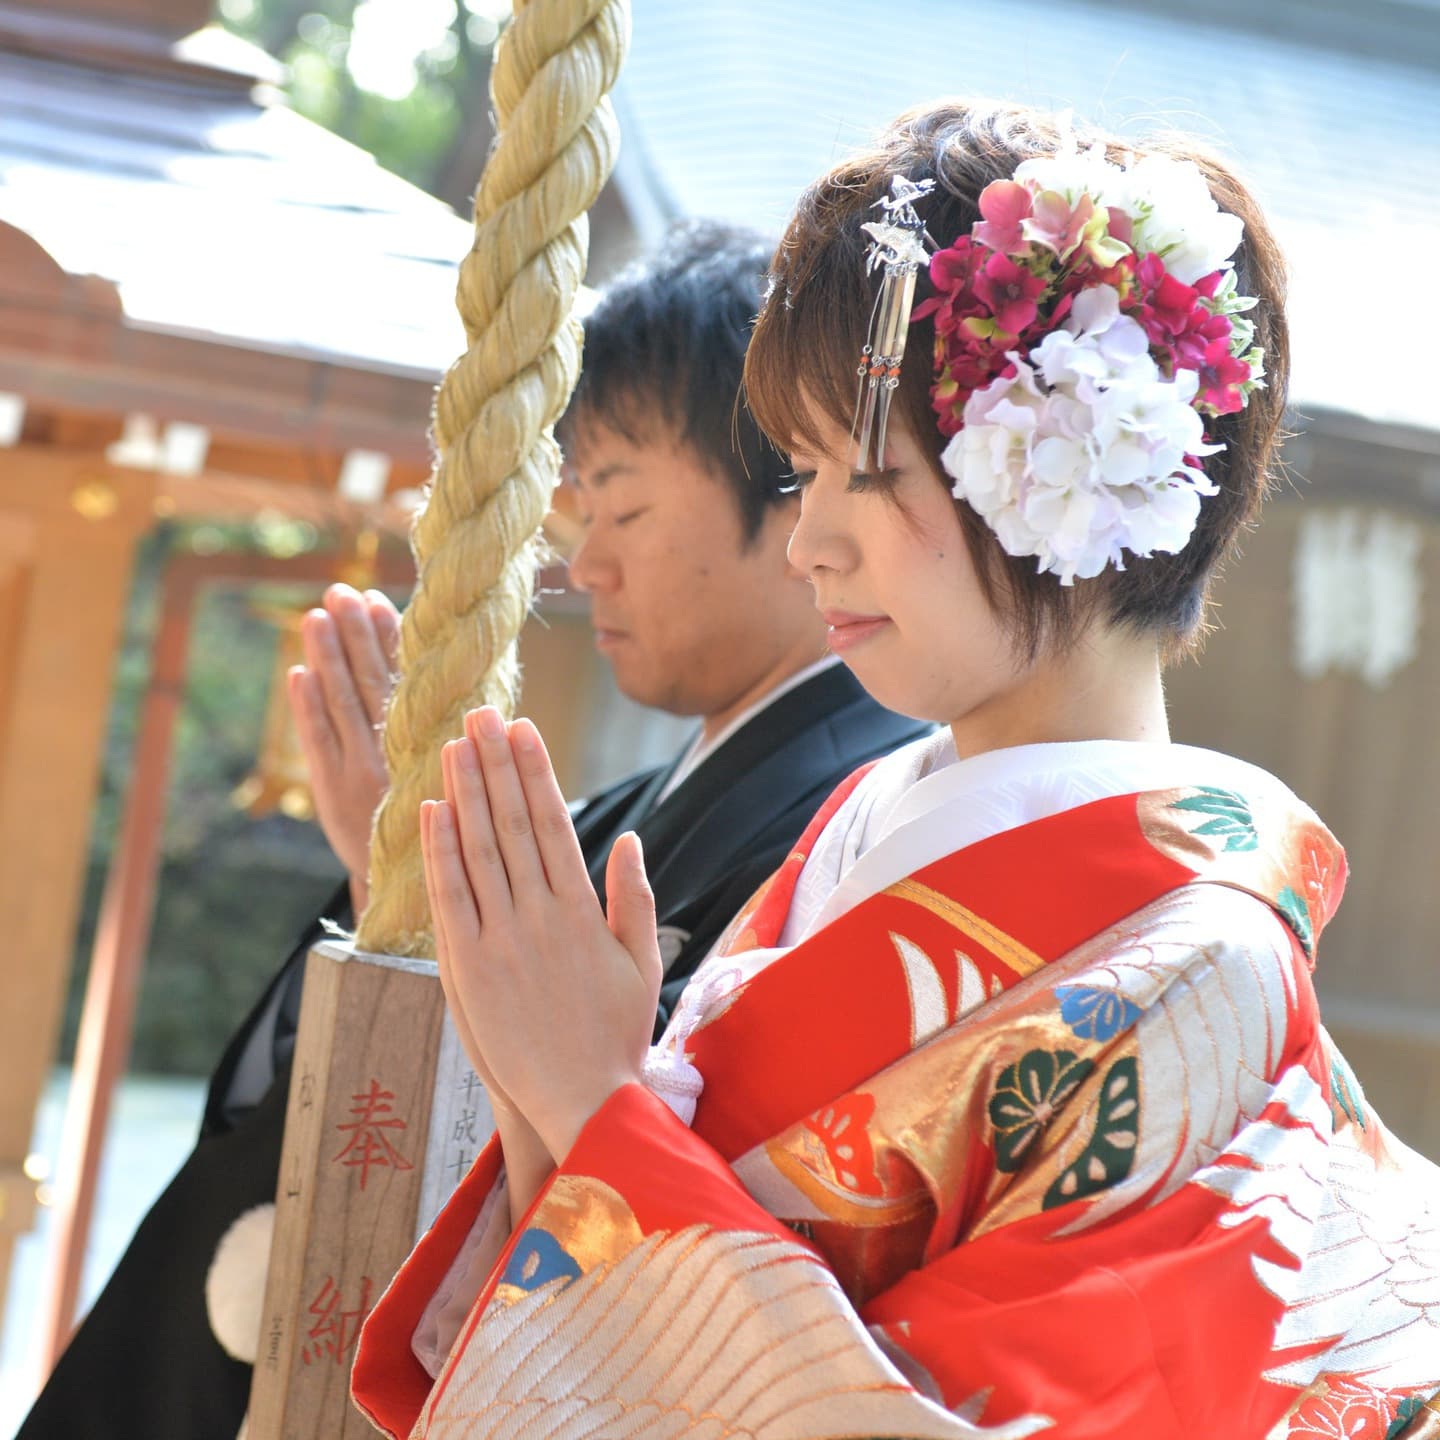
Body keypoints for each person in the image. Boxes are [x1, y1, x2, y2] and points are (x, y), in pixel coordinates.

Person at [352, 101, 1440, 1440]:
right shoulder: (869, 817)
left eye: (858, 472)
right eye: (799, 474)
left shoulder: (1202, 971)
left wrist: (587, 1100)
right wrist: (561, 1095)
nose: (808, 543)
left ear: (1062, 465)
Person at [18, 223, 928, 1440]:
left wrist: (452, 947)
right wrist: (391, 883)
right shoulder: (632, 812)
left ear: (794, 491)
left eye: (623, 506)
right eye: (575, 511)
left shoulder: (853, 825)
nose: (583, 562)